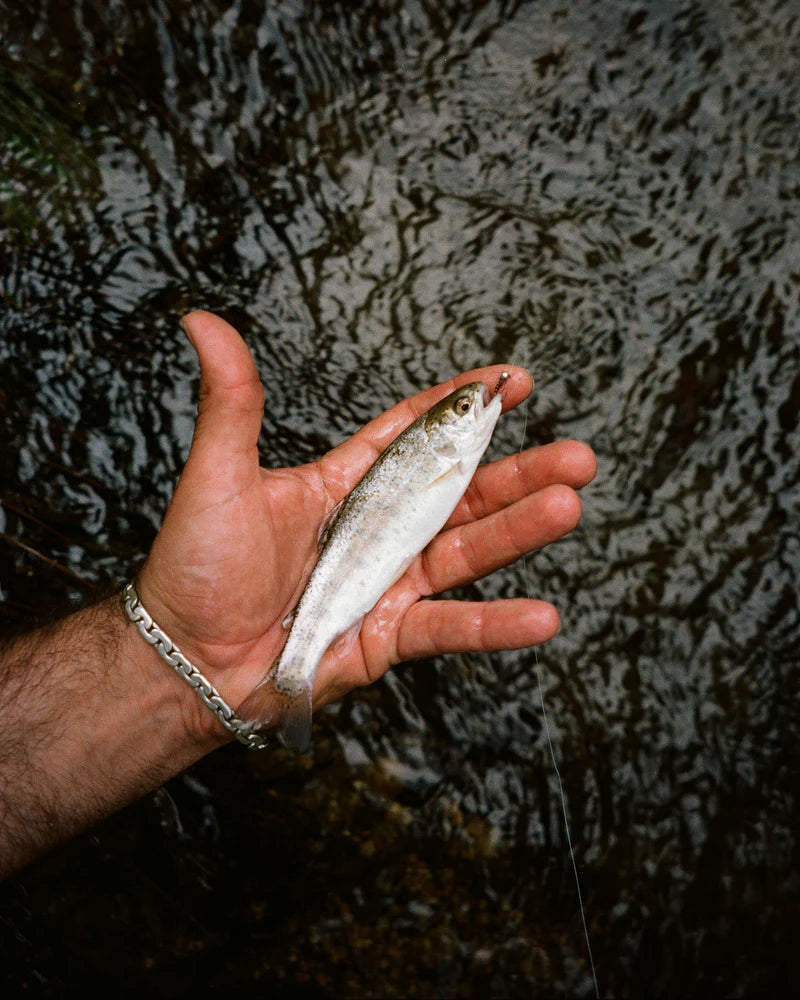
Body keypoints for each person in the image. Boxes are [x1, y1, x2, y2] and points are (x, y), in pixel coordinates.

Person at [0, 310, 597, 877]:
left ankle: (286, 681)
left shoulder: (457, 448)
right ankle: (292, 676)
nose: (479, 407)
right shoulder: (448, 452)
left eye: (466, 406)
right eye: (466, 408)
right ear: (447, 431)